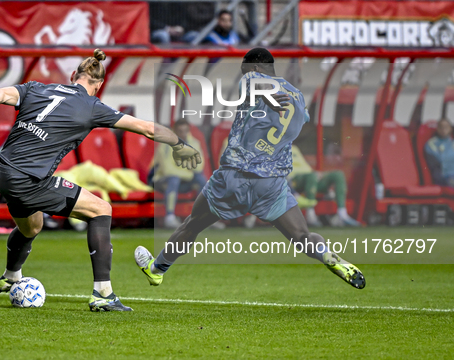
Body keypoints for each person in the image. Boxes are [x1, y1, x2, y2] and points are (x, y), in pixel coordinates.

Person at [0, 49, 201, 312]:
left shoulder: (37, 88)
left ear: (72, 76)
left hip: (2, 170)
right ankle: (103, 294)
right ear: (98, 85)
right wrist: (180, 144)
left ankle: (10, 276)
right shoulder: (92, 106)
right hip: (28, 178)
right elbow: (147, 128)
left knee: (32, 227)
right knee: (101, 210)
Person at [134, 47, 366, 291]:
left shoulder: (253, 78)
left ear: (254, 66)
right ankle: (327, 256)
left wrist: (266, 97)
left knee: (191, 226)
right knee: (302, 236)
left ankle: (157, 269)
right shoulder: (297, 95)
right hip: (272, 185)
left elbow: (253, 86)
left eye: (244, 69)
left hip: (234, 177)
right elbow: (301, 119)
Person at [152, 119, 207, 229]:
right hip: (161, 181)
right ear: (174, 131)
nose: (183, 134)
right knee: (174, 179)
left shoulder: (194, 143)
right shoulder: (165, 145)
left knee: (201, 179)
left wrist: (189, 173)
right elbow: (167, 170)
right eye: (180, 131)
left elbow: (199, 166)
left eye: (185, 131)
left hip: (184, 181)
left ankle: (202, 216)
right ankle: (170, 217)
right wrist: (188, 173)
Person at [289, 146, 360, 227]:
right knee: (311, 176)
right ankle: (310, 214)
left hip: (310, 178)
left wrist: (316, 173)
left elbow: (304, 166)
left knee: (338, 174)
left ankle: (342, 214)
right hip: (293, 180)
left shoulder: (294, 148)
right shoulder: (276, 147)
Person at [424, 118, 454, 188]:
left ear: (450, 129)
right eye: (441, 127)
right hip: (443, 175)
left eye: (446, 127)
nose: (443, 129)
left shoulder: (452, 143)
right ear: (437, 129)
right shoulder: (431, 144)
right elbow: (440, 161)